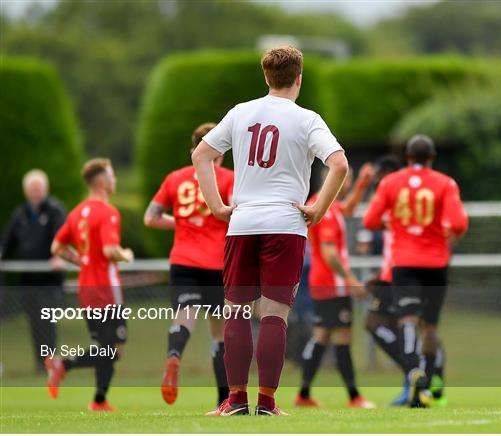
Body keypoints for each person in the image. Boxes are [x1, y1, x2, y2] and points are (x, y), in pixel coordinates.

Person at [192, 46, 348, 416]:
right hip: (285, 225)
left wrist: (216, 206)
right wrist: (318, 209)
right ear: (299, 78)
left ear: (266, 77)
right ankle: (266, 402)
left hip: (243, 222)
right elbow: (339, 165)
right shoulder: (307, 119)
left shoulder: (241, 112)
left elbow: (201, 154)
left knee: (237, 313)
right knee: (275, 315)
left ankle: (235, 401)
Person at [363, 135, 468, 407]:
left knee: (406, 319)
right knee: (430, 326)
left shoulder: (390, 183)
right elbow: (458, 223)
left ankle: (413, 369)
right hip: (436, 262)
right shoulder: (446, 183)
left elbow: (370, 220)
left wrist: (397, 224)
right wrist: (444, 234)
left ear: (407, 158)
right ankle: (429, 379)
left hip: (404, 262)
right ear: (432, 158)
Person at [143, 122, 234, 407]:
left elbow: (150, 217)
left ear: (193, 149)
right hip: (216, 262)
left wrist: (182, 223)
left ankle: (173, 356)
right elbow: (236, 214)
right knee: (220, 333)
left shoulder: (175, 179)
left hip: (183, 260)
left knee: (185, 317)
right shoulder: (228, 178)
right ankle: (223, 400)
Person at [46, 158, 134, 411]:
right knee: (114, 349)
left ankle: (99, 401)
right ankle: (63, 365)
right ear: (103, 181)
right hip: (106, 288)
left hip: (86, 288)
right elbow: (109, 250)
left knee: (103, 348)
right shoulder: (107, 212)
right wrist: (125, 254)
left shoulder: (77, 212)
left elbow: (57, 247)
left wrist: (81, 261)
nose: (115, 180)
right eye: (112, 175)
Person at [295, 165, 375, 409]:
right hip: (332, 284)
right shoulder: (326, 209)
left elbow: (348, 209)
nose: (348, 183)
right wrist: (350, 279)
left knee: (321, 337)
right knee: (342, 337)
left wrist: (362, 184)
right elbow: (329, 253)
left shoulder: (323, 202)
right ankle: (354, 397)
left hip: (322, 283)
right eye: (346, 179)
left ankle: (304, 394)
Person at [0, 169, 66, 373]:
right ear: (25, 190)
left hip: (49, 281)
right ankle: (40, 365)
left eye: (38, 188)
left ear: (46, 189)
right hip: (28, 280)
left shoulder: (55, 210)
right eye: (32, 188)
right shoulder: (21, 213)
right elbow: (8, 242)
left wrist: (59, 255)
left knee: (47, 322)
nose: (35, 192)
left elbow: (62, 237)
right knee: (34, 322)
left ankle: (50, 365)